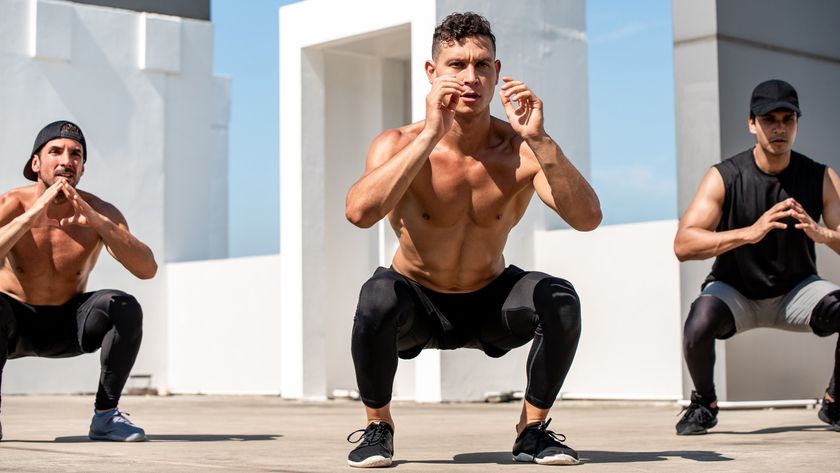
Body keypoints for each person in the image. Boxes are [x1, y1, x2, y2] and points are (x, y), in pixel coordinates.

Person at [344, 12, 601, 468]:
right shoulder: (398, 143)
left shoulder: (521, 150)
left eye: (482, 65)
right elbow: (359, 213)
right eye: (456, 64)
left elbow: (587, 219)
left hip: (490, 300)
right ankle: (378, 427)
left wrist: (541, 140)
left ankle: (532, 430)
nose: (470, 77)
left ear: (497, 72)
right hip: (416, 301)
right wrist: (430, 134)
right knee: (376, 297)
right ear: (432, 72)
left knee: (560, 298)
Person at [674, 79, 840, 435]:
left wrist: (823, 234)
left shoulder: (820, 176)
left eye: (787, 119)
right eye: (769, 119)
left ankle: (835, 401)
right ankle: (704, 403)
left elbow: (836, 232)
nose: (779, 128)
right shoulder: (725, 176)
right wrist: (748, 232)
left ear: (796, 123)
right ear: (752, 123)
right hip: (736, 292)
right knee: (697, 324)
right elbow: (683, 245)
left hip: (797, 291)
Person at [0, 120, 157, 442]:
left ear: (82, 167)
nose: (66, 160)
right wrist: (28, 219)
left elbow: (147, 269)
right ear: (36, 163)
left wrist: (100, 224)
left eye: (76, 154)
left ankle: (106, 416)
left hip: (68, 326)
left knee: (124, 306)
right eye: (55, 151)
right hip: (14, 326)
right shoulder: (11, 204)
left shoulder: (98, 211)